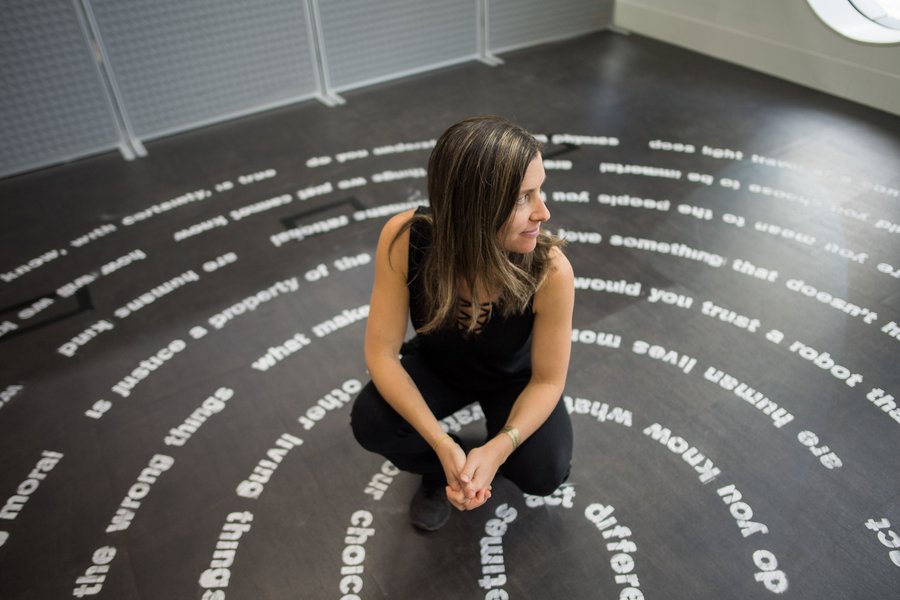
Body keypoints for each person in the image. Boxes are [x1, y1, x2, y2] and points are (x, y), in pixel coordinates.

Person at [350, 116, 574, 531]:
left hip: (514, 380)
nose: (544, 212)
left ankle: (483, 465)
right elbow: (381, 354)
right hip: (438, 367)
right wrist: (441, 445)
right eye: (524, 197)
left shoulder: (550, 269)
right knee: (372, 422)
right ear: (473, 206)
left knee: (544, 472)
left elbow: (547, 380)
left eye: (540, 190)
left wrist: (498, 449)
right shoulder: (404, 238)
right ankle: (437, 475)